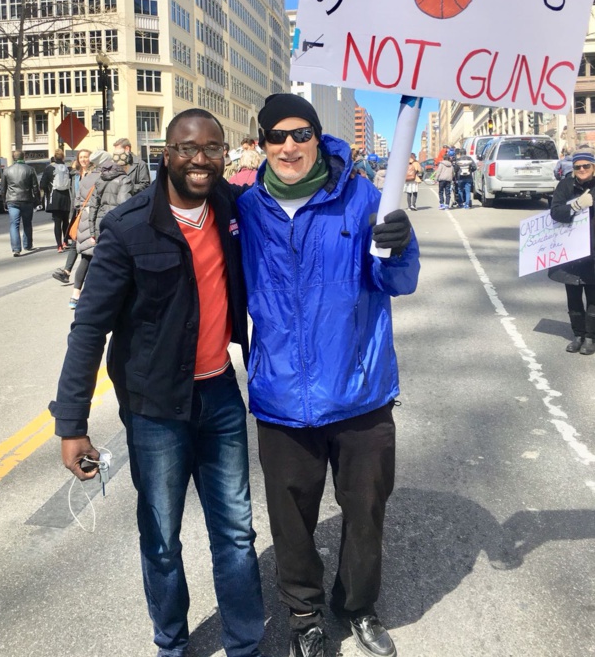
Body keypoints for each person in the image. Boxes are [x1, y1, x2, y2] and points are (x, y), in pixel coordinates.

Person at [49, 109, 264, 657]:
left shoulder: (232, 210)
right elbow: (89, 329)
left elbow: (300, 178)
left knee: (236, 534)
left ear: (225, 155)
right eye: (189, 148)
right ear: (165, 153)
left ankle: (245, 645)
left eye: (213, 148)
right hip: (154, 410)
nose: (201, 159)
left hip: (218, 395)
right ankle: (171, 644)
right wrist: (71, 424)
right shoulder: (128, 228)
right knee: (162, 539)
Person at [236, 94, 420, 657]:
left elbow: (398, 282)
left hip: (359, 391)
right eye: (276, 136)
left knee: (365, 511)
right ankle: (303, 614)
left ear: (317, 136)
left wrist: (402, 245)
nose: (288, 146)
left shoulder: (364, 196)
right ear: (261, 143)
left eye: (299, 134)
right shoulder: (245, 209)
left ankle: (359, 607)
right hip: (282, 396)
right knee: (291, 519)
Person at [68, 149, 134, 309]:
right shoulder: (122, 179)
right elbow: (124, 204)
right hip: (112, 225)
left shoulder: (93, 178)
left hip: (92, 223)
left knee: (87, 259)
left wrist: (91, 230)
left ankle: (76, 295)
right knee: (111, 261)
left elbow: (88, 203)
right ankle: (106, 298)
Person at [549, 149, 595, 355]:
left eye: (586, 166)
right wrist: (575, 205)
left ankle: (591, 338)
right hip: (570, 251)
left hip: (593, 250)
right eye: (578, 167)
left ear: (594, 167)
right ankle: (578, 335)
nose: (582, 170)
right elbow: (555, 211)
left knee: (593, 297)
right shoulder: (565, 185)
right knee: (573, 297)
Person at [52, 149, 93, 284]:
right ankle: (67, 271)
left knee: (83, 244)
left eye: (85, 157)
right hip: (78, 212)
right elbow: (75, 194)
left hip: (90, 212)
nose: (83, 159)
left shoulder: (94, 174)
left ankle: (76, 274)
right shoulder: (76, 175)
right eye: (81, 157)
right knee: (76, 240)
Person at [1, 150, 41, 257]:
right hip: (27, 199)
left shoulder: (7, 170)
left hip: (12, 200)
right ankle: (27, 245)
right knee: (27, 223)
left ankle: (16, 249)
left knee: (14, 224)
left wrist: (4, 201)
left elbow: (3, 188)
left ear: (13, 157)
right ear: (24, 157)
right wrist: (37, 200)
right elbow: (35, 187)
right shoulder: (30, 170)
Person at [40, 150, 72, 252]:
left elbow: (43, 184)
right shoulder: (68, 168)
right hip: (66, 196)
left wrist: (47, 192)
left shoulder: (49, 168)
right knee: (66, 220)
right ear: (63, 157)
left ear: (54, 157)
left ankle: (59, 245)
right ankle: (66, 241)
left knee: (57, 222)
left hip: (55, 197)